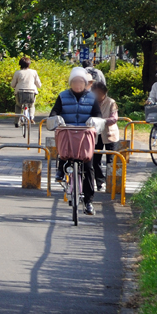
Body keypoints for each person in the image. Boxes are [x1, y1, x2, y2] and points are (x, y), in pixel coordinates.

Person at [49, 67, 103, 215]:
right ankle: (60, 170)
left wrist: (95, 120)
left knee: (88, 167)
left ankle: (89, 202)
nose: (78, 84)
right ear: (70, 82)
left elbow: (98, 114)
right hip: (68, 132)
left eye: (81, 82)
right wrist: (56, 118)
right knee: (64, 153)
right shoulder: (62, 96)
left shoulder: (92, 98)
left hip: (85, 135)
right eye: (75, 81)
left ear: (85, 83)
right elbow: (54, 111)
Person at [91, 82, 119, 193]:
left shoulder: (111, 102)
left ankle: (110, 182)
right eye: (95, 93)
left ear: (104, 92)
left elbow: (114, 118)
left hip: (109, 134)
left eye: (100, 93)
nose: (97, 95)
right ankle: (99, 182)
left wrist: (101, 121)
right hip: (96, 134)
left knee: (111, 160)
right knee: (95, 159)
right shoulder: (91, 102)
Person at [10, 57, 42, 125]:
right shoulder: (34, 72)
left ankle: (17, 121)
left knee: (18, 106)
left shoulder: (17, 73)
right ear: (29, 64)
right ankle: (31, 117)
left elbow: (12, 85)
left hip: (20, 92)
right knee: (31, 106)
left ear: (20, 64)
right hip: (31, 92)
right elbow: (39, 84)